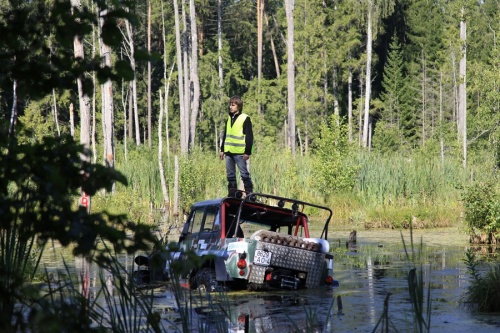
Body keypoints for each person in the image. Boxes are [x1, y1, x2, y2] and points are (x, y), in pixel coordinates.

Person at [219, 95, 254, 196]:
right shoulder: (229, 118)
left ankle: (250, 195)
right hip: (229, 152)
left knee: (244, 175)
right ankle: (232, 195)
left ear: (239, 106)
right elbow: (226, 134)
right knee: (230, 176)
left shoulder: (245, 119)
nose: (230, 107)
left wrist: (247, 152)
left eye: (233, 105)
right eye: (230, 104)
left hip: (240, 153)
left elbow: (249, 137)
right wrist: (222, 150)